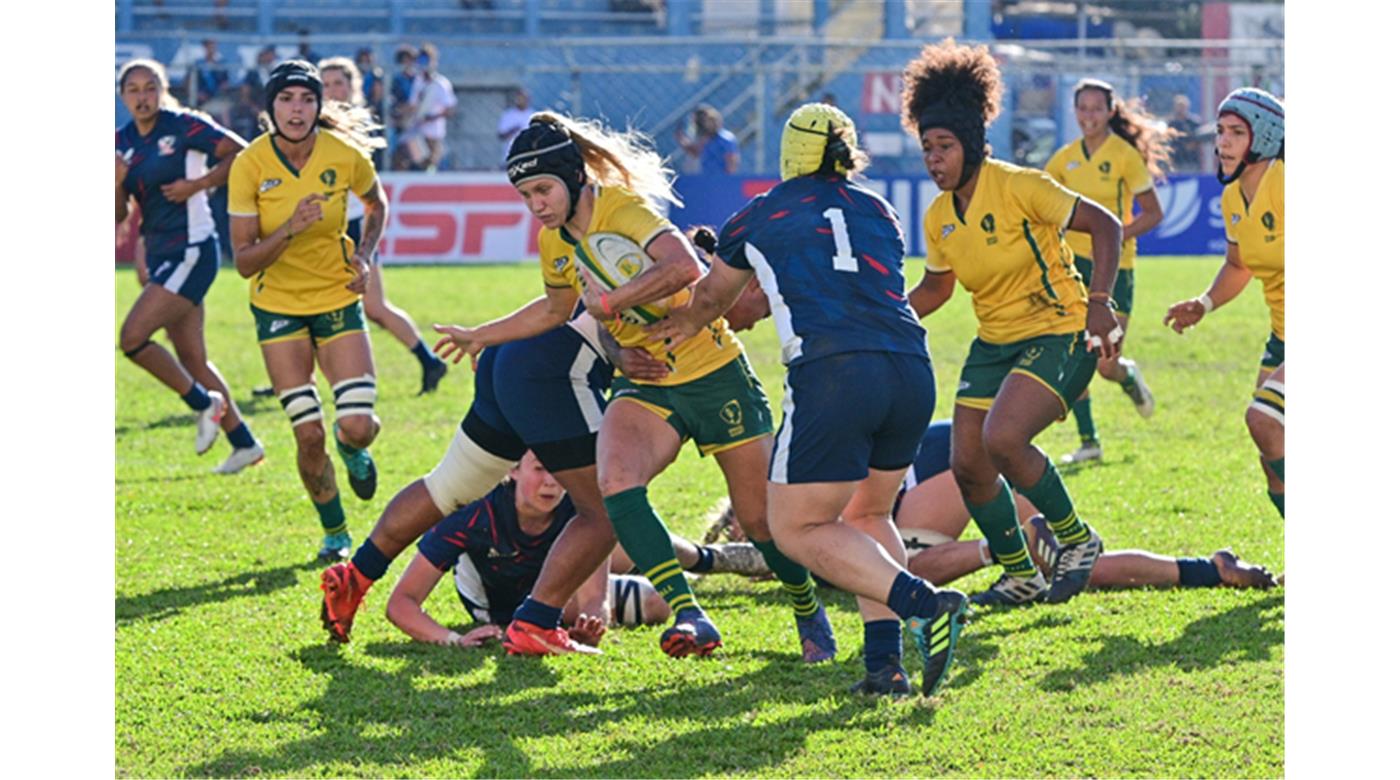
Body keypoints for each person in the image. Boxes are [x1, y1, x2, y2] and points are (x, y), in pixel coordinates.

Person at [432, 113, 835, 662]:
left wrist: (610, 305)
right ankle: (691, 614)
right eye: (526, 195)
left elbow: (684, 266)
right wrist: (483, 335)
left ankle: (807, 610)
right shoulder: (554, 239)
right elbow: (555, 308)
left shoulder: (622, 208)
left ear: (573, 177)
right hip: (648, 382)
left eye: (543, 189)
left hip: (715, 373)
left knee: (762, 522)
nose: (537, 205)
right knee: (615, 486)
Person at [648, 102, 969, 698]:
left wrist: (679, 326)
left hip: (835, 373)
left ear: (789, 152)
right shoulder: (879, 210)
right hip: (911, 367)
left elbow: (716, 298)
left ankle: (922, 603)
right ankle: (885, 667)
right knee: (869, 515)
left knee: (792, 527)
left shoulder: (761, 213)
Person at [901, 39, 1124, 607]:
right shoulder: (937, 218)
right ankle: (1020, 572)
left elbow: (1104, 226)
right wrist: (883, 315)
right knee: (969, 465)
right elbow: (936, 287)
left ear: (971, 143)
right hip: (994, 344)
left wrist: (1101, 299)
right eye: (927, 148)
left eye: (945, 146)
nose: (935, 159)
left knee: (1004, 439)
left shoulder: (1022, 185)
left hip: (1060, 328)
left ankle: (1077, 539)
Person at [227, 60, 389, 560]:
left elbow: (376, 204)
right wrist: (290, 229)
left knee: (357, 425)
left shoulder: (344, 154)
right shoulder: (249, 165)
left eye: (306, 99)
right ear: (269, 107)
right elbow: (244, 261)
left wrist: (362, 256)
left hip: (337, 297)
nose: (296, 110)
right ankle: (335, 532)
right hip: (277, 308)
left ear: (319, 106)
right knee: (309, 431)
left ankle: (353, 448)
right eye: (286, 99)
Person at [385, 451, 765, 648]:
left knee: (622, 530)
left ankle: (717, 558)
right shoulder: (474, 512)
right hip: (506, 603)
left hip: (562, 568)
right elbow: (401, 602)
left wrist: (592, 620)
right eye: (539, 469)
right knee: (656, 603)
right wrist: (453, 639)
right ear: (512, 470)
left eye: (560, 471)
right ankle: (705, 563)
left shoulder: (578, 503)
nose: (552, 482)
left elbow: (593, 598)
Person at [892, 421, 1277, 590]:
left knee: (895, 572)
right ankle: (1209, 570)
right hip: (964, 448)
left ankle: (1009, 546)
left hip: (936, 461)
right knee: (1071, 569)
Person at [115, 58, 264, 474]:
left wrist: (198, 185)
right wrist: (113, 182)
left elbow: (242, 154)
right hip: (164, 252)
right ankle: (244, 443)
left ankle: (204, 403)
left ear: (162, 90)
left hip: (194, 249)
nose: (142, 97)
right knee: (193, 360)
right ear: (122, 95)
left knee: (133, 339)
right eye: (134, 90)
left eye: (150, 88)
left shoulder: (182, 125)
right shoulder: (120, 142)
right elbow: (117, 214)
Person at [1164, 88, 1285, 521]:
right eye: (1220, 132)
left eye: (1237, 132)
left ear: (1266, 137)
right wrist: (1204, 303)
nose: (1223, 142)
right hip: (1282, 338)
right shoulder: (1233, 196)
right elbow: (1238, 265)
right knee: (1273, 460)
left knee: (1265, 421)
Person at [1044, 79, 1175, 465]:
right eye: (1082, 108)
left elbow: (1153, 213)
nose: (1089, 116)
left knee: (1104, 363)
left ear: (1110, 112)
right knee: (1075, 353)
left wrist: (1116, 237)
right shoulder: (1063, 159)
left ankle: (1128, 376)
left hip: (1116, 267)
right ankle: (1089, 443)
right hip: (1075, 266)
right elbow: (1041, 202)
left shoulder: (1124, 156)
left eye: (1096, 108)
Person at [320, 57, 449, 394]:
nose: (332, 90)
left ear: (352, 88)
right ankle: (294, 376)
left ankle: (428, 360)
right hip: (328, 225)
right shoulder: (315, 124)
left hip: (352, 224)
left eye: (338, 83)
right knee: (314, 302)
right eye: (326, 84)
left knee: (374, 307)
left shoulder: (353, 126)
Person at [406, 44, 456, 172]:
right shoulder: (418, 81)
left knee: (431, 166)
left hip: (434, 134)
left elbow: (450, 109)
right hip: (418, 132)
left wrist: (430, 118)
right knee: (415, 164)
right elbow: (413, 105)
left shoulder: (441, 84)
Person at [673, 104, 739, 175]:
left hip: (721, 178)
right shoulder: (707, 139)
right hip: (707, 178)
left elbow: (732, 161)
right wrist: (681, 140)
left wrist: (727, 179)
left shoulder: (726, 138)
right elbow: (696, 152)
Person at [1167, 94, 1204, 173]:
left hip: (1191, 159)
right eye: (1178, 106)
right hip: (1176, 159)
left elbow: (1199, 138)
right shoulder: (1171, 123)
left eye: (1182, 106)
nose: (1180, 109)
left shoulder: (1194, 123)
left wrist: (1193, 144)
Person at [497, 87, 533, 165]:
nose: (521, 100)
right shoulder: (508, 115)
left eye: (523, 98)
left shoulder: (533, 115)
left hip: (529, 157)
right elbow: (501, 135)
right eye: (519, 98)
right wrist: (513, 130)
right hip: (511, 156)